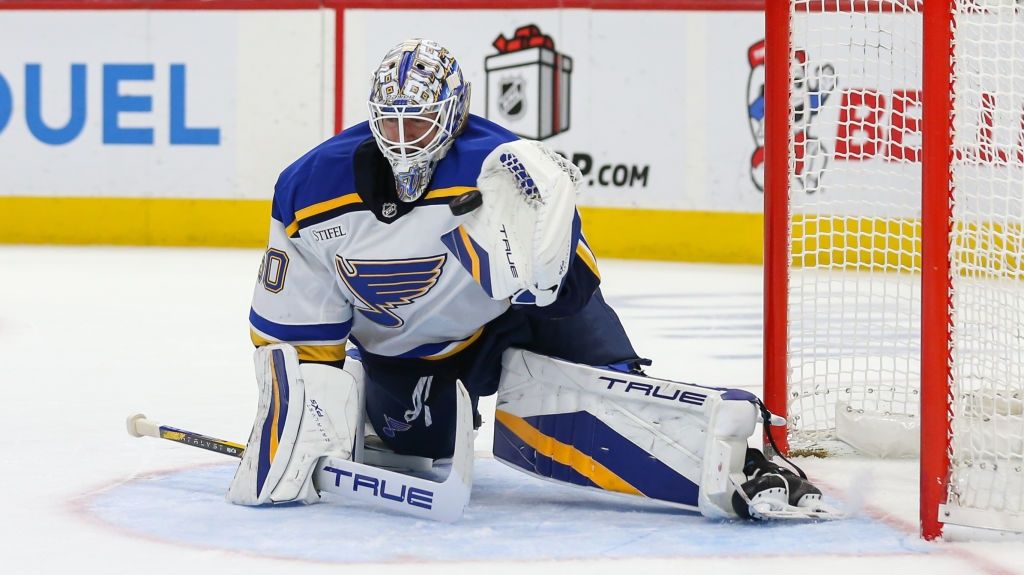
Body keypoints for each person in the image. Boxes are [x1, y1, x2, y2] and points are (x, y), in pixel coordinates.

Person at [225, 38, 833, 520]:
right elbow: (298, 339)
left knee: (602, 383)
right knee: (422, 450)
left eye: (421, 125)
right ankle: (369, 395)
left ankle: (718, 457)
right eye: (392, 124)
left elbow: (573, 297)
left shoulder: (503, 167)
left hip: (512, 315)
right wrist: (307, 412)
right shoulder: (309, 189)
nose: (404, 142)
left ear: (454, 115)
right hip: (412, 356)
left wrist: (551, 253)